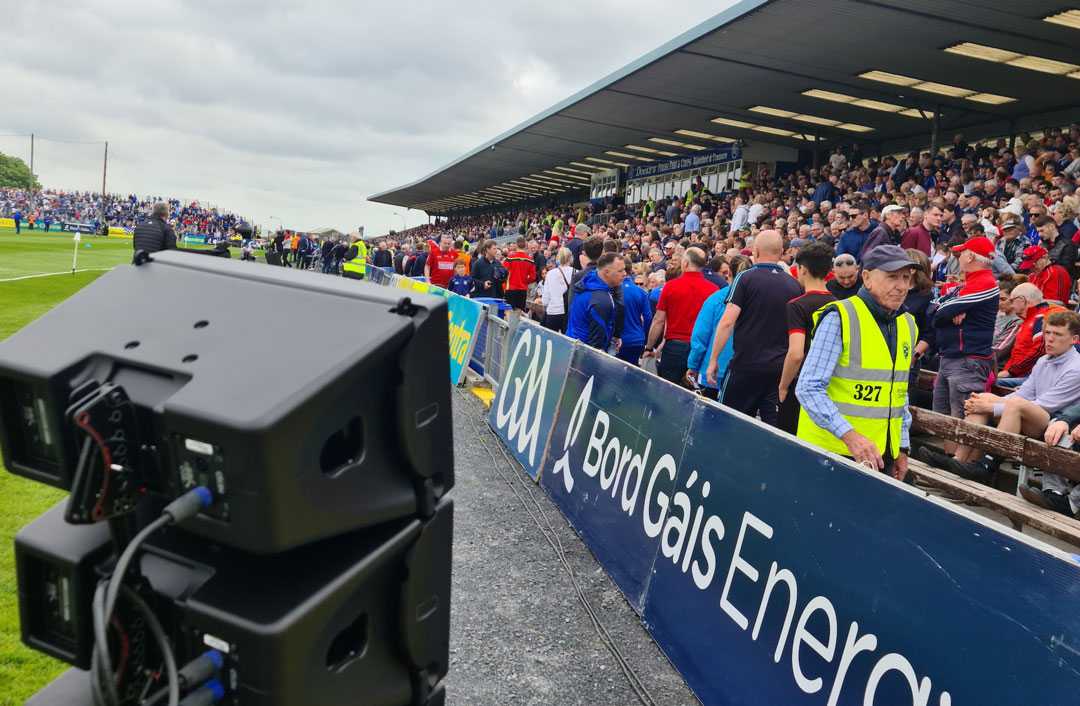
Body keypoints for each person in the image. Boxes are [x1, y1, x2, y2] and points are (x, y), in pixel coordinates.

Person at [796, 245, 919, 479]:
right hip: (832, 454)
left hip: (880, 455)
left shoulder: (908, 324)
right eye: (892, 277)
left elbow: (899, 392)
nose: (901, 286)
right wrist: (850, 436)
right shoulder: (840, 317)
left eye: (906, 278)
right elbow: (808, 388)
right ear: (867, 278)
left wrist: (901, 447)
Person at [921, 311, 1080, 481]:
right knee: (982, 399)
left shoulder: (1076, 368)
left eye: (1057, 334)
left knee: (1009, 404)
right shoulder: (1043, 361)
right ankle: (959, 461)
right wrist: (986, 403)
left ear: (1074, 339)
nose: (1049, 339)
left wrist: (992, 407)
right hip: (1029, 414)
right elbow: (1025, 393)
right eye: (1047, 332)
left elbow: (1044, 405)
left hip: (1053, 425)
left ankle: (988, 464)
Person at [707, 230, 803, 426]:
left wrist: (714, 359)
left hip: (745, 366)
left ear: (756, 251)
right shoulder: (794, 285)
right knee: (774, 431)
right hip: (778, 370)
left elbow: (727, 321)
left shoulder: (745, 278)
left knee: (727, 423)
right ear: (782, 251)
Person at [931, 235, 999, 430]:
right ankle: (946, 458)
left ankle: (960, 460)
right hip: (951, 357)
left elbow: (940, 313)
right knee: (941, 418)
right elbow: (934, 309)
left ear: (970, 257)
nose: (958, 257)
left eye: (961, 253)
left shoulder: (984, 282)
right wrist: (947, 309)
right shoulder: (968, 284)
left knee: (961, 420)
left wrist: (947, 310)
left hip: (967, 360)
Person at [777, 242, 837, 434]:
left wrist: (783, 385)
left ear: (802, 269)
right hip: (829, 385)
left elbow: (796, 353)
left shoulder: (797, 305)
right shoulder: (840, 304)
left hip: (802, 384)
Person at [644, 246, 718, 386]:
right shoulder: (713, 290)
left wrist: (649, 347)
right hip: (702, 348)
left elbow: (658, 320)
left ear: (685, 263)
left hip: (675, 348)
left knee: (668, 390)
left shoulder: (671, 287)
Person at [687, 255, 752, 400]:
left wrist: (693, 365)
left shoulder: (716, 299)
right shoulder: (756, 301)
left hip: (713, 370)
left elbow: (701, 336)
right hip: (743, 371)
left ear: (728, 273)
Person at [996, 283, 1066, 386]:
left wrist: (1010, 371)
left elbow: (1039, 351)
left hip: (1030, 376)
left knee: (987, 383)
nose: (1011, 305)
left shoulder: (1042, 317)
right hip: (1020, 373)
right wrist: (1007, 371)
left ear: (1022, 300)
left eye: (1012, 300)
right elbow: (1017, 352)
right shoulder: (1029, 319)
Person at [567, 253, 624, 350]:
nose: (624, 274)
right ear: (606, 272)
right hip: (582, 356)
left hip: (572, 344)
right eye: (620, 271)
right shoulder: (602, 300)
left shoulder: (587, 282)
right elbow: (596, 345)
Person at [617, 262, 653, 365]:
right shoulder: (641, 292)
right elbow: (648, 317)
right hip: (637, 339)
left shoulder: (614, 290)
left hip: (618, 341)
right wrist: (644, 336)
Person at [541, 247, 575, 332]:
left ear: (558, 258)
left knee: (549, 341)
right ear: (570, 258)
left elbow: (545, 300)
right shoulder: (576, 272)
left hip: (553, 311)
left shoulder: (550, 274)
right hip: (569, 313)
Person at [503, 236, 537, 311]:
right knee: (519, 315)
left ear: (516, 245)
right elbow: (533, 277)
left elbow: (503, 272)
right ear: (525, 245)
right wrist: (524, 281)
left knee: (509, 313)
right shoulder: (530, 260)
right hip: (523, 290)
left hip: (510, 289)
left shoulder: (510, 258)